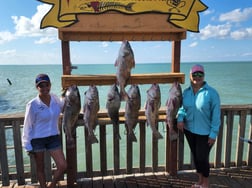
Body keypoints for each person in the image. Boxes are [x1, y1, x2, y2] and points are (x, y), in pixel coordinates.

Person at [177, 64, 221, 188]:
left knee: (202, 158)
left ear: (204, 75)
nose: (197, 76)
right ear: (190, 76)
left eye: (200, 74)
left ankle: (206, 184)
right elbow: (182, 108)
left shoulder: (212, 93)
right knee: (196, 157)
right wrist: (180, 118)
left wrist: (213, 133)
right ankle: (200, 181)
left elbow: (216, 115)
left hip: (205, 132)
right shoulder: (186, 93)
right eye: (194, 74)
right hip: (189, 130)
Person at [22, 74, 67, 188]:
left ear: (50, 85)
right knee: (40, 168)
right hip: (37, 139)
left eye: (46, 85)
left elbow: (63, 107)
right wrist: (27, 145)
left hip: (53, 137)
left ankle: (51, 185)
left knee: (62, 165)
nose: (44, 88)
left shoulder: (55, 99)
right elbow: (27, 125)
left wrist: (68, 93)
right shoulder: (32, 104)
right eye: (41, 85)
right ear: (37, 87)